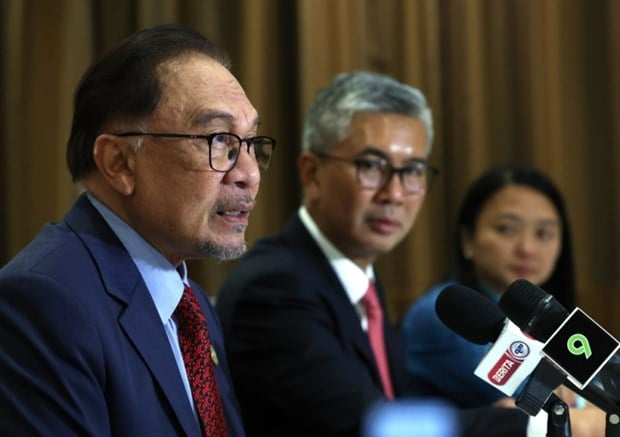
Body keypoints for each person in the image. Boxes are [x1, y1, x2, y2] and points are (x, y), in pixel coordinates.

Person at [215, 71, 535, 436]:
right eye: (371, 166)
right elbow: (367, 426)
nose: (395, 194)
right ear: (312, 173)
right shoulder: (273, 289)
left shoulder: (360, 280)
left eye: (412, 170)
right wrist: (535, 427)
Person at [0, 24, 276, 436]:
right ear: (119, 163)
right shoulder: (44, 301)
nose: (249, 173)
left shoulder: (191, 304)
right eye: (219, 140)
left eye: (250, 143)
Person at [401, 164, 575, 408]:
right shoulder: (444, 314)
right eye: (507, 229)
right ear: (467, 239)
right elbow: (541, 401)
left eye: (544, 234)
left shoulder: (544, 321)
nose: (527, 248)